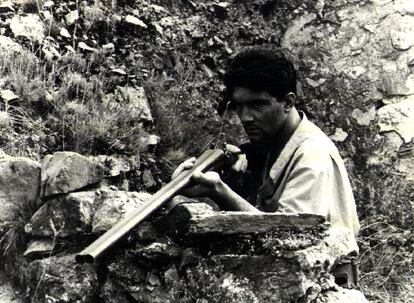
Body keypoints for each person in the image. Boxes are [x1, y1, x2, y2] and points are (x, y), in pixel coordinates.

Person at [173, 46, 360, 238]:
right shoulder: (272, 143)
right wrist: (236, 183)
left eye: (257, 104)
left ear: (287, 103)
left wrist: (219, 190)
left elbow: (288, 238)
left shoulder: (312, 155)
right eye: (239, 106)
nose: (245, 117)